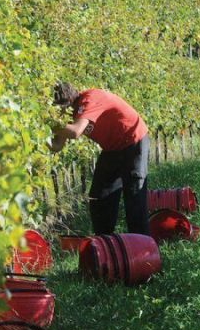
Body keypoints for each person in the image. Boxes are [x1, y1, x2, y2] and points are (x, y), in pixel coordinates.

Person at [50, 82, 150, 235]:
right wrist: (36, 134)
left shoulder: (89, 100)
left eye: (59, 109)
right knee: (99, 197)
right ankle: (105, 245)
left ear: (68, 102)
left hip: (133, 139)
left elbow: (76, 132)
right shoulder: (67, 115)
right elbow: (57, 145)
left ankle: (144, 250)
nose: (60, 114)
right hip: (113, 148)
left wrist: (50, 122)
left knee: (134, 195)